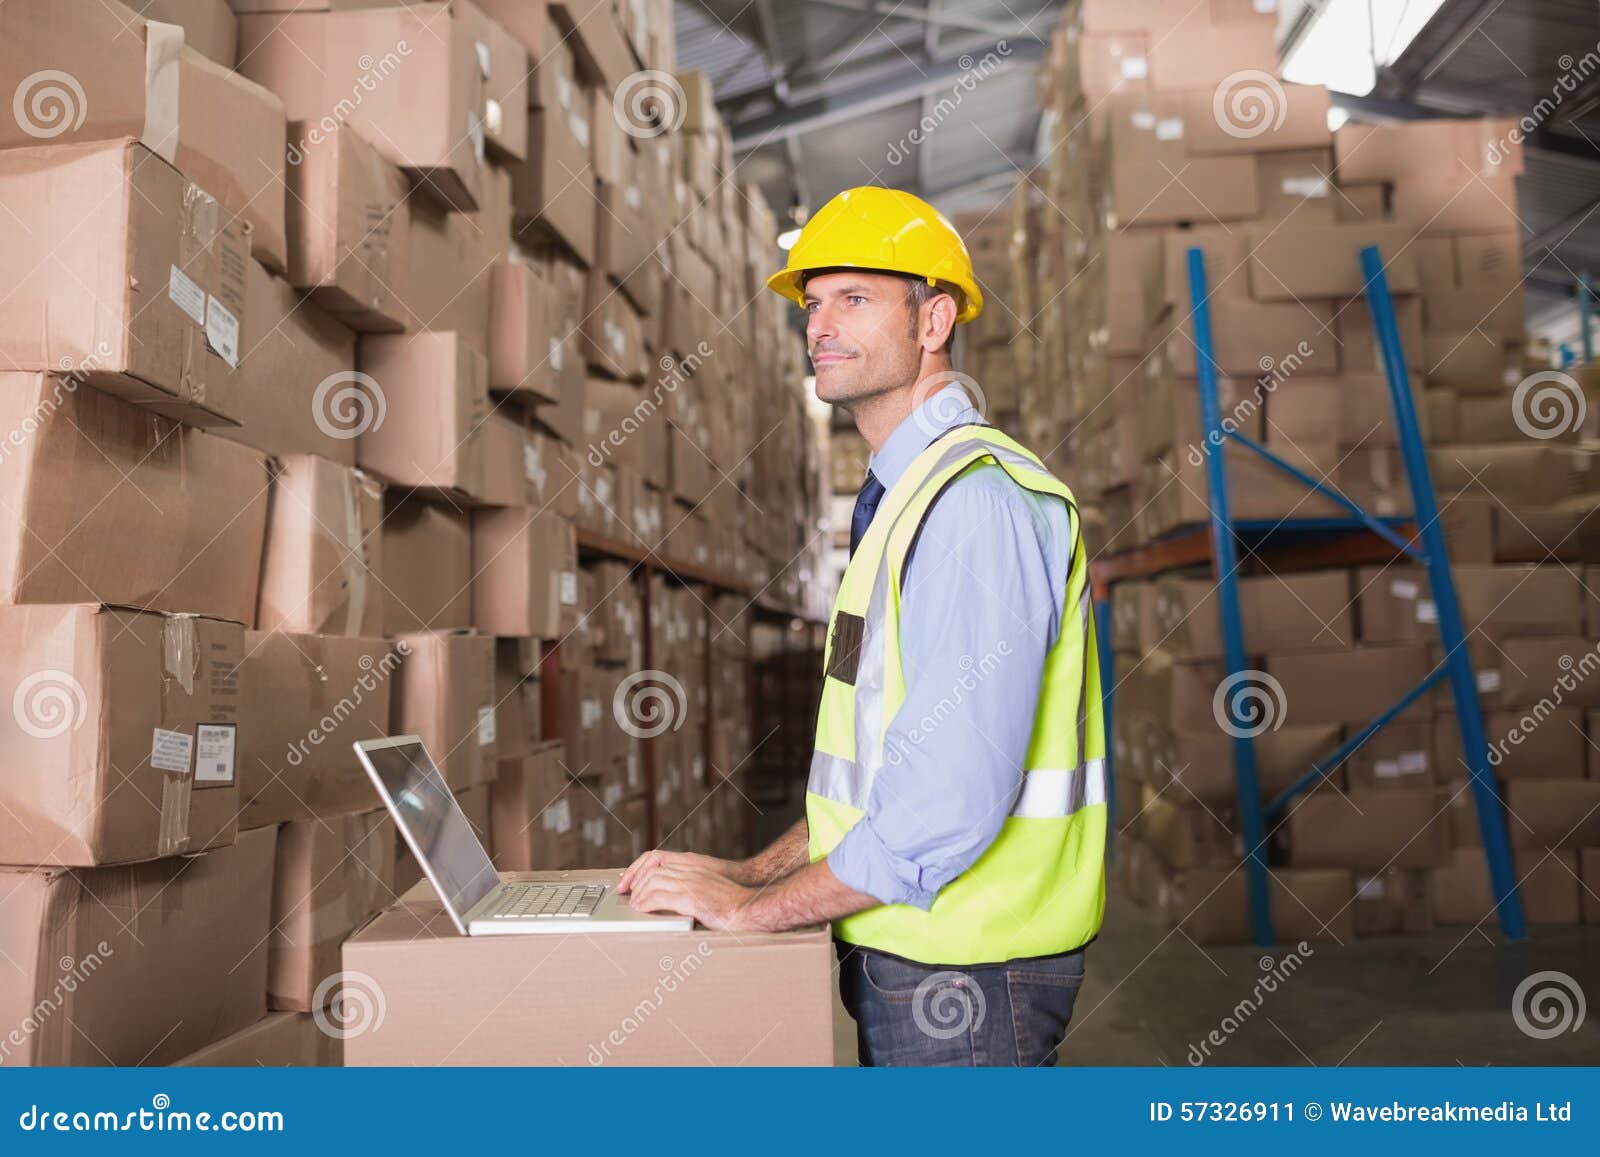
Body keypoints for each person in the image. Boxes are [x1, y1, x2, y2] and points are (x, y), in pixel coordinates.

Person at [619, 186, 1106, 1067]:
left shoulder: (971, 504)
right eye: (812, 304)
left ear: (934, 321)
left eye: (855, 299)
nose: (819, 326)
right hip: (922, 951)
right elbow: (884, 775)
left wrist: (754, 913)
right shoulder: (903, 501)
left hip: (968, 966)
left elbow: (946, 802)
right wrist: (752, 871)